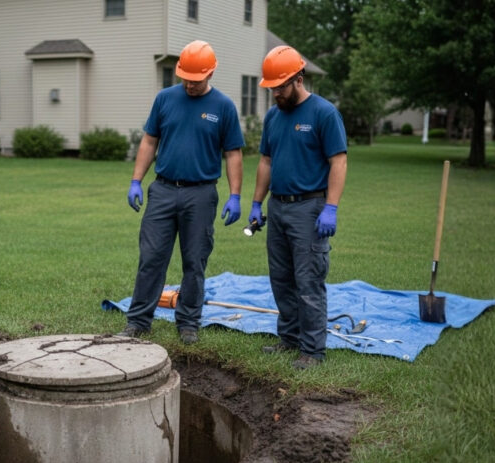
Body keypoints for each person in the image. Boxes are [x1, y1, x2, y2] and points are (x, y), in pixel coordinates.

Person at [118, 40, 244, 345]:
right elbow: (149, 141)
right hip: (162, 190)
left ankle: (188, 323)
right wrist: (136, 180)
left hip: (200, 194)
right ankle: (138, 321)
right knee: (151, 258)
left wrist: (235, 195)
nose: (189, 84)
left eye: (195, 79)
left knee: (194, 261)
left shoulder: (223, 106)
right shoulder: (165, 99)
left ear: (210, 73)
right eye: (185, 77)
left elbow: (233, 153)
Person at [248, 45, 348, 369]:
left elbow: (338, 162)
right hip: (278, 207)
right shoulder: (273, 116)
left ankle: (313, 351)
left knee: (308, 281)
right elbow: (266, 161)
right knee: (281, 278)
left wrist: (330, 207)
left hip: (309, 208)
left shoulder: (324, 113)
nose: (275, 93)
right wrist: (256, 203)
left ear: (299, 79)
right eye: (272, 88)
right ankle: (289, 339)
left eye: (280, 86)